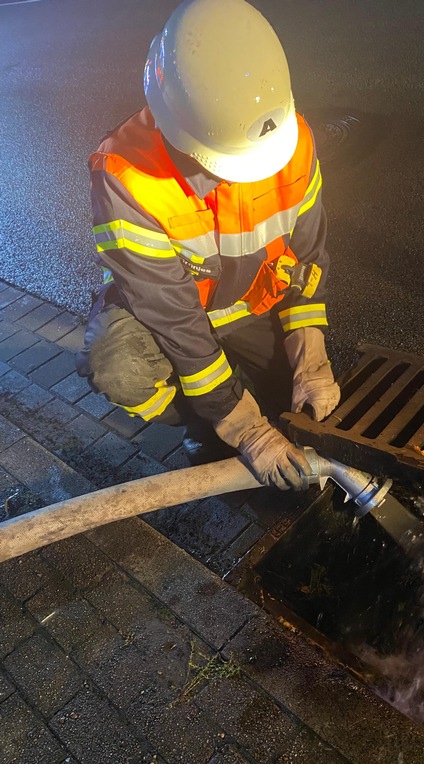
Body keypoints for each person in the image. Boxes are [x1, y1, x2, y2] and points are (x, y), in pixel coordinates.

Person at [76, 0, 340, 492]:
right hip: (164, 318)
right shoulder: (128, 177)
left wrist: (311, 355)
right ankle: (200, 427)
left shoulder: (293, 143)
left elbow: (306, 260)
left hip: (250, 305)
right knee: (120, 369)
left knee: (297, 394)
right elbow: (172, 316)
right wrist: (239, 424)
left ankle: (238, 392)